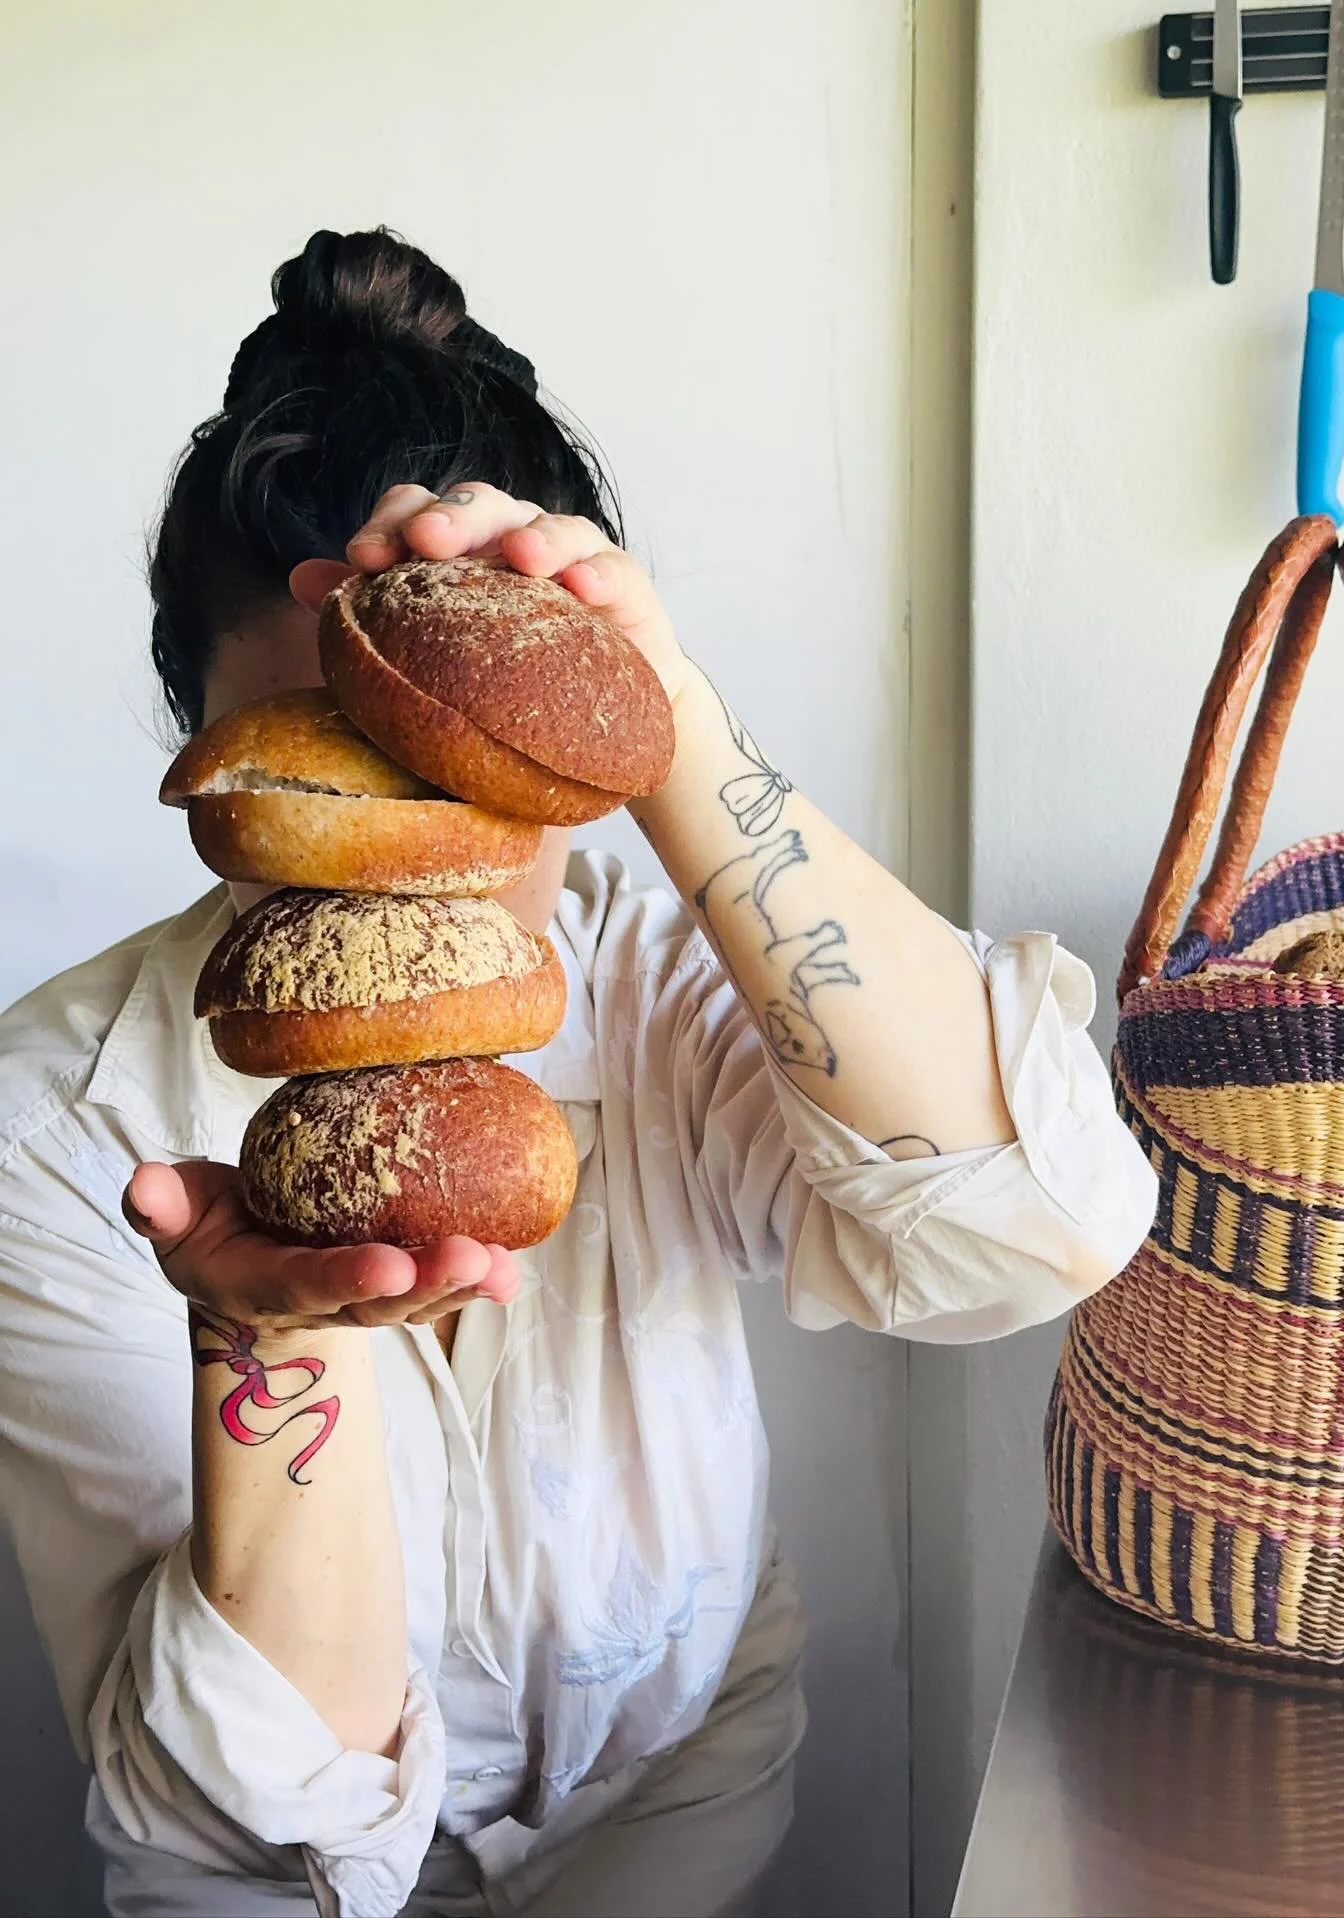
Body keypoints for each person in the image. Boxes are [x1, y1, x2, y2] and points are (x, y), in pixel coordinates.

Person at [0, 229, 1157, 1918]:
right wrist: (270, 1333)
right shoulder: (60, 1122)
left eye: (468, 786)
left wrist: (668, 717)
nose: (413, 866)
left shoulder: (669, 979)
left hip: (683, 1830)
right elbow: (252, 1824)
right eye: (336, 784)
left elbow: (1039, 1228)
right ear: (211, 763)